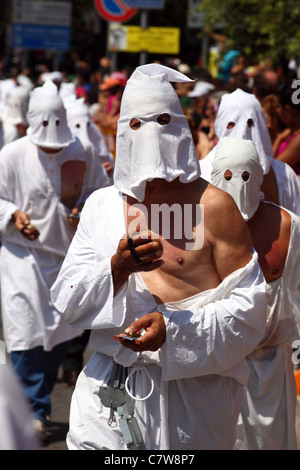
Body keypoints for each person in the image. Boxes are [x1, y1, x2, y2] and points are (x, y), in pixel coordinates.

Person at [51, 63, 267, 450]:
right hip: (107, 384)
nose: (151, 134)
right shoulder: (101, 206)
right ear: (121, 130)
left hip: (191, 398)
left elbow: (250, 310)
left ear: (180, 127)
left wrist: (174, 331)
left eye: (163, 121)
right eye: (137, 123)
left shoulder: (215, 206)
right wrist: (116, 269)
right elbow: (67, 299)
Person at [0, 79, 108, 442]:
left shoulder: (81, 150)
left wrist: (83, 210)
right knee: (25, 331)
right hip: (22, 257)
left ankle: (38, 399)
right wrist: (14, 214)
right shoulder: (12, 155)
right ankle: (33, 408)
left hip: (66, 257)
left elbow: (98, 191)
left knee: (60, 334)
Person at [211, 136, 300, 450]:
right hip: (219, 368)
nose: (238, 184)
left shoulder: (289, 227)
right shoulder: (200, 227)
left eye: (246, 175)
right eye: (228, 175)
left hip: (273, 369)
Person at [200, 88, 300, 216]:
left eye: (250, 123)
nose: (242, 132)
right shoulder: (202, 173)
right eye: (232, 124)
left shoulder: (285, 175)